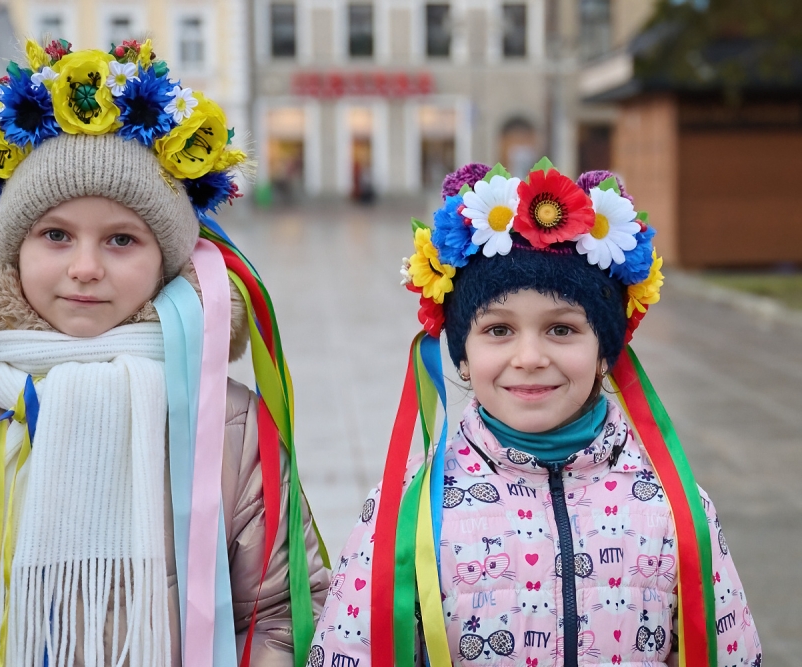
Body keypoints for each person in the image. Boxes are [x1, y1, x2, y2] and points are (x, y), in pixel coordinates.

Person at [0, 38, 327, 667]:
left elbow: (282, 614)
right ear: (13, 248)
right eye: (56, 236)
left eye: (121, 239)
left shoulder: (228, 426)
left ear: (166, 262)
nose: (85, 268)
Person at [307, 161, 761, 667]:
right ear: (461, 353)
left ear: (605, 352)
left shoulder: (673, 508)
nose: (529, 357)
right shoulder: (405, 514)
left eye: (561, 330)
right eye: (498, 330)